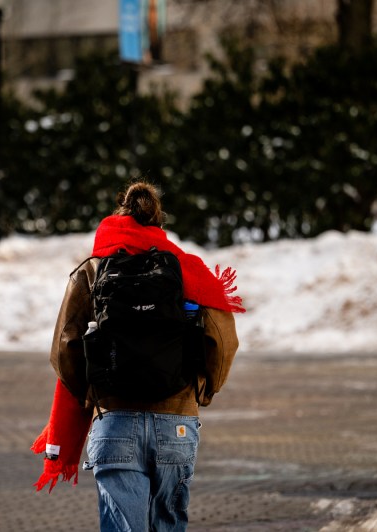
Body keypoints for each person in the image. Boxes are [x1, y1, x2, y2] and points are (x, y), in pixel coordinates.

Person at [49, 181, 242, 531]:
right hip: (177, 424)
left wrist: (93, 391)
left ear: (117, 216)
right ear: (158, 223)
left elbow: (65, 347)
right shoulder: (186, 269)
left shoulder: (92, 270)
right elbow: (222, 341)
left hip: (115, 422)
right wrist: (203, 390)